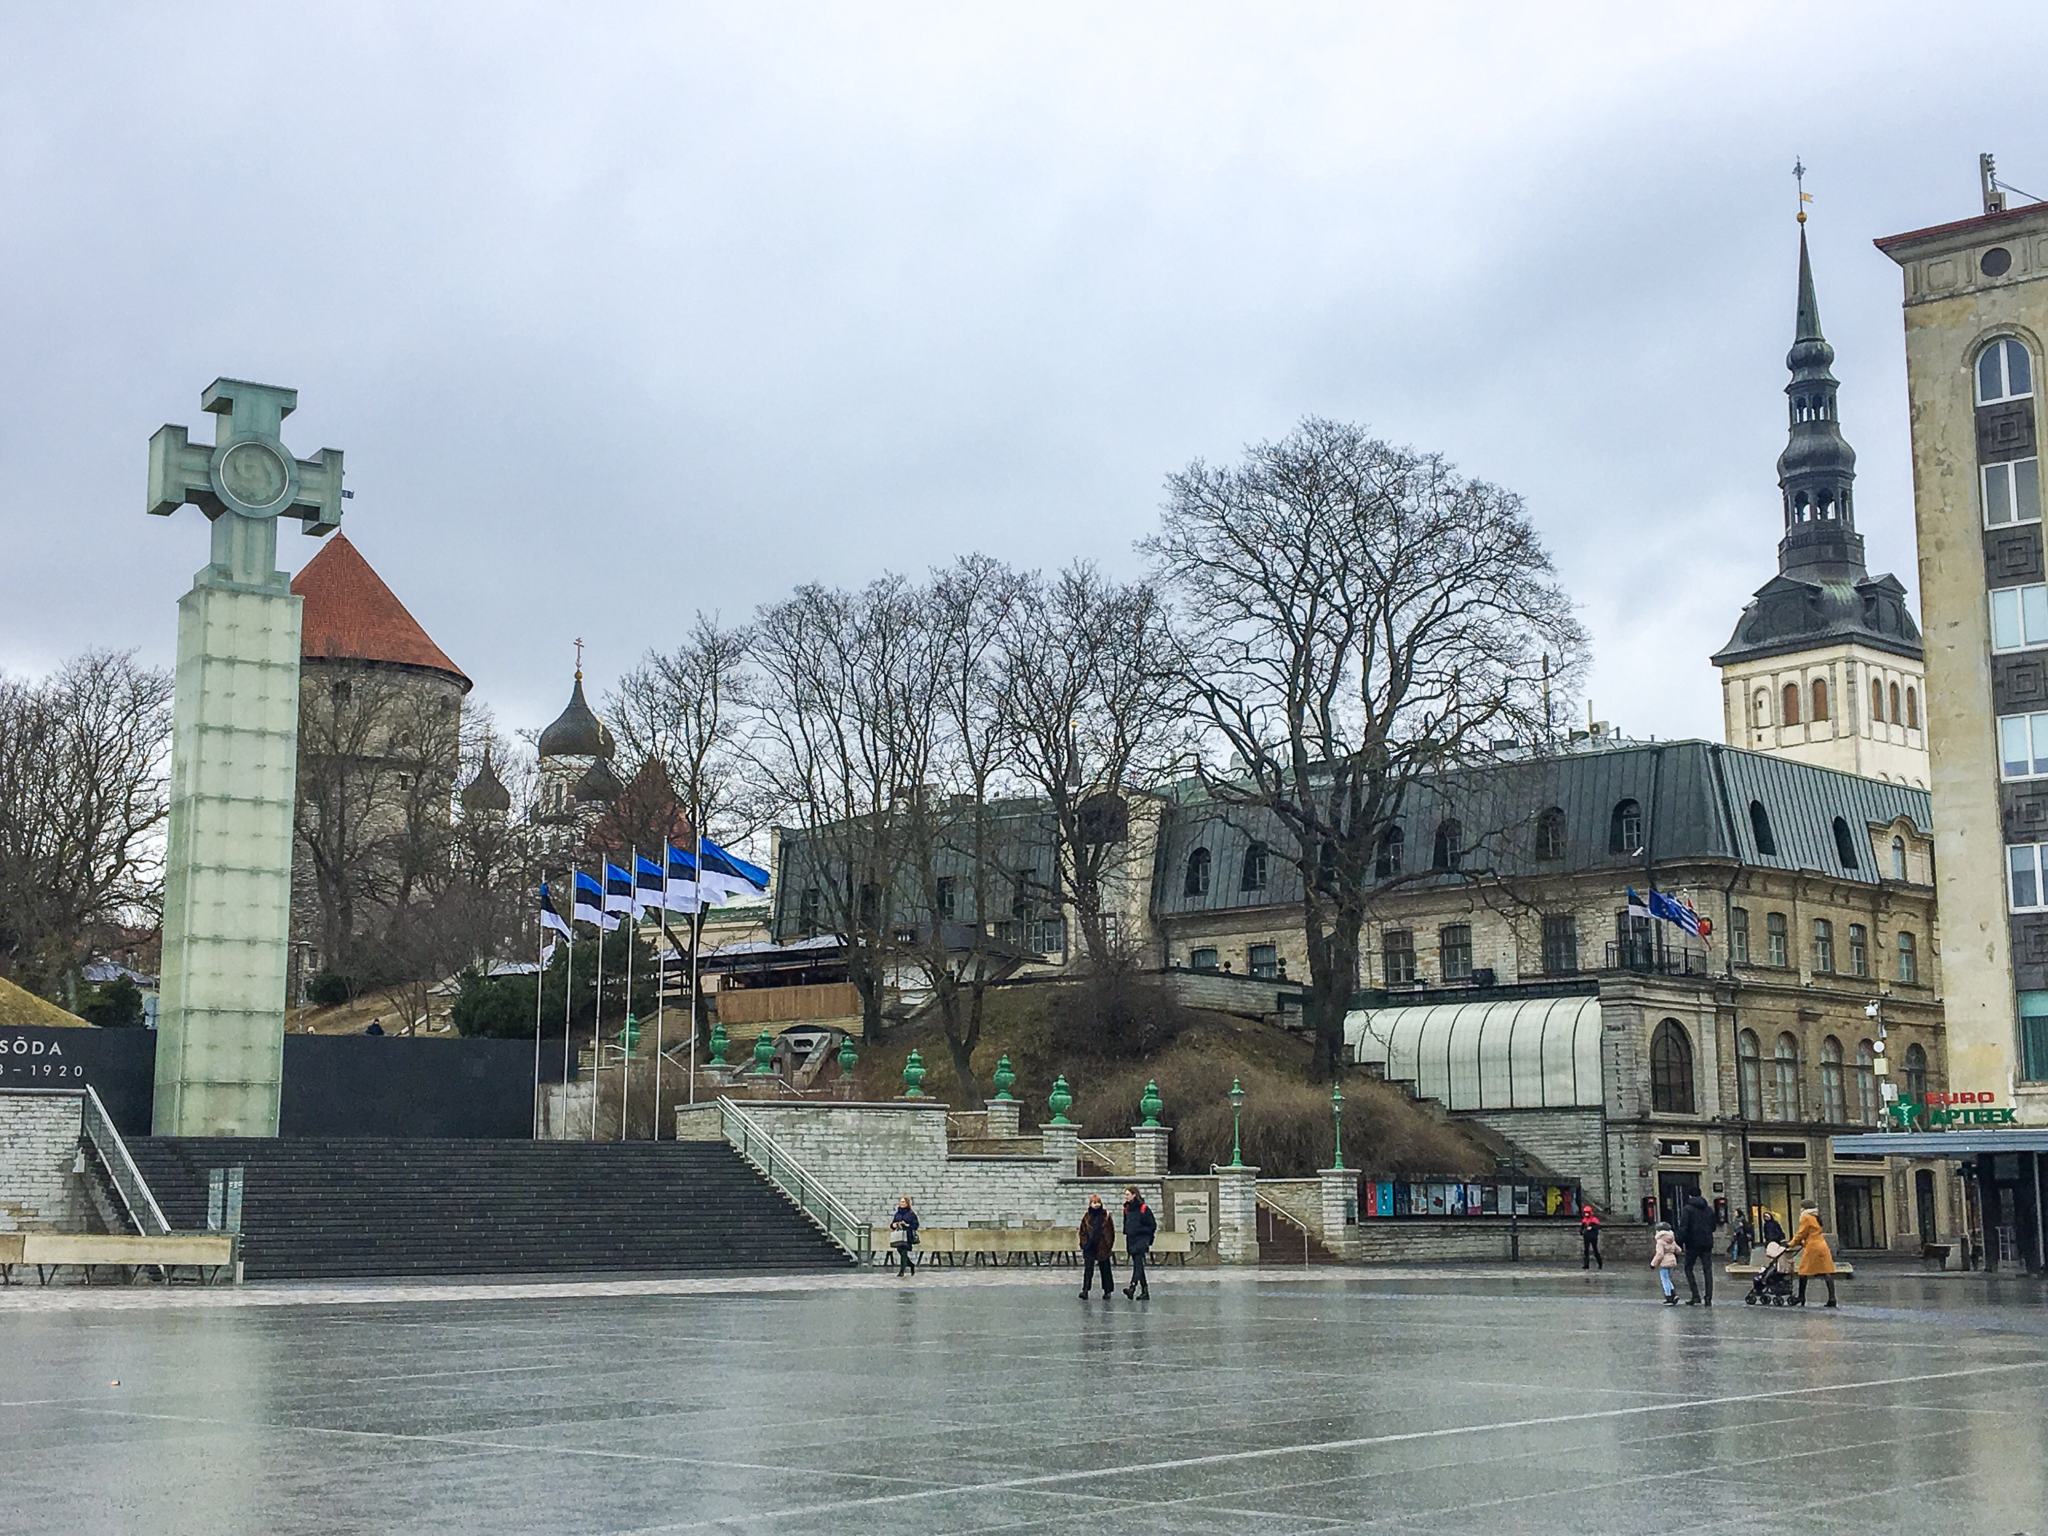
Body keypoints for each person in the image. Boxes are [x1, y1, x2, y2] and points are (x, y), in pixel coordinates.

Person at [1791, 1200, 1838, 1308]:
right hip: (1822, 1245)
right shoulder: (1816, 1216)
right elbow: (1813, 1232)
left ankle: (1801, 1297)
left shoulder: (1806, 1217)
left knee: (1803, 1271)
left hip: (1813, 1247)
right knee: (1826, 1271)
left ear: (1804, 1207)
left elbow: (1801, 1233)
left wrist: (1792, 1243)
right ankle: (1832, 1298)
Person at [1675, 1189, 1717, 1306]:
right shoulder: (1709, 1209)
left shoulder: (1687, 1209)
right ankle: (1708, 1298)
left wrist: (1678, 1243)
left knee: (1688, 1268)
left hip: (1692, 1243)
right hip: (1707, 1243)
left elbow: (1684, 1227)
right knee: (1707, 1270)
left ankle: (1695, 1295)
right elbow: (1713, 1227)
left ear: (1690, 1195)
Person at [1121, 1186, 1156, 1300]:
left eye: (1127, 1194)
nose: (1126, 1197)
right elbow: (1126, 1223)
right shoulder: (1127, 1209)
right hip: (1131, 1239)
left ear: (1134, 1195)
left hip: (1142, 1239)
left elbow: (1152, 1225)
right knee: (1138, 1264)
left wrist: (1141, 1231)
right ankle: (1145, 1290)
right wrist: (1127, 1231)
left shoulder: (1143, 1208)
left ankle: (1132, 1286)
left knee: (1138, 1263)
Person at [1078, 1194, 1116, 1299]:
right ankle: (1085, 1290)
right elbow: (1082, 1231)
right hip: (1090, 1246)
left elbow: (1110, 1232)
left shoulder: (1106, 1216)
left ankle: (1107, 1290)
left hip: (1102, 1245)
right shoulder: (1087, 1217)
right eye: (1094, 1203)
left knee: (1105, 1269)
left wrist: (1108, 1245)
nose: (1096, 1205)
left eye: (1098, 1202)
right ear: (1090, 1204)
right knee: (1088, 1270)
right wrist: (1084, 1244)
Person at [888, 1195, 919, 1279]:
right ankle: (911, 1265)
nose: (901, 1203)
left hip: (907, 1236)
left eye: (903, 1202)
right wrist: (894, 1225)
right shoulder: (897, 1214)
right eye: (901, 1202)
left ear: (907, 1203)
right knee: (901, 1252)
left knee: (904, 1252)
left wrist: (907, 1225)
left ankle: (901, 1271)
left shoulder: (911, 1214)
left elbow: (915, 1225)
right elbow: (892, 1224)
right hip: (899, 1235)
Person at [1650, 1222, 1681, 1305]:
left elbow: (1660, 1254)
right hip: (1672, 1261)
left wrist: (1653, 1264)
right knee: (1668, 1278)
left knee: (1664, 1279)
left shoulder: (1660, 1241)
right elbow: (1678, 1250)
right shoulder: (1672, 1240)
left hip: (1664, 1262)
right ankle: (1673, 1294)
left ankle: (1669, 1297)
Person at [1579, 1199, 1604, 1270]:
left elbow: (1598, 1227)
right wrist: (1581, 1232)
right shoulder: (1584, 1220)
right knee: (1586, 1251)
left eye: (1587, 1213)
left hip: (1593, 1237)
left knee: (1595, 1250)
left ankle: (1600, 1263)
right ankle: (1586, 1265)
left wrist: (1592, 1227)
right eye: (1585, 1213)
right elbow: (1582, 1228)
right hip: (1586, 1237)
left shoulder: (1594, 1220)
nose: (1586, 1214)